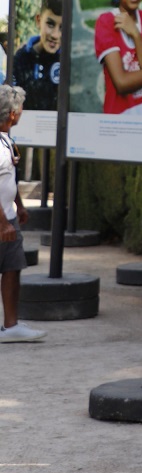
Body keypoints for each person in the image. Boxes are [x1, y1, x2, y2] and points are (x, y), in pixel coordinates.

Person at [0, 85, 45, 343]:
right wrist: (3, 221)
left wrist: (19, 204)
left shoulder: (7, 140)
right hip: (2, 220)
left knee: (13, 268)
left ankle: (11, 325)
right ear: (13, 114)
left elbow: (9, 179)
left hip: (9, 216)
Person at [9, 0, 62, 110]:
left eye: (62, 27)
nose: (55, 35)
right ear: (38, 20)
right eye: (50, 24)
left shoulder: (69, 61)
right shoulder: (21, 59)